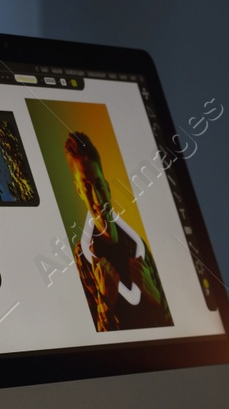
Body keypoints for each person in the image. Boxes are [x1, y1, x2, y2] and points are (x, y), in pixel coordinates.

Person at [63, 131, 172, 331]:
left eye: (98, 184)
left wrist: (155, 295)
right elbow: (94, 342)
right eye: (86, 187)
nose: (96, 198)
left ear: (107, 186)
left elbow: (170, 319)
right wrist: (106, 300)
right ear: (79, 191)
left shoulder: (136, 244)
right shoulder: (82, 258)